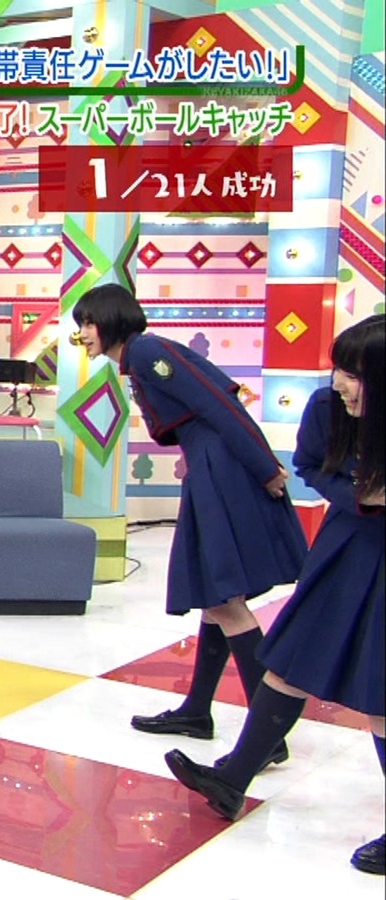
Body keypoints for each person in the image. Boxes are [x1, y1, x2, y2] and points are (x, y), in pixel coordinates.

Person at [164, 314, 384, 876]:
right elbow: (310, 465)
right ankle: (232, 779)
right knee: (288, 662)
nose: (340, 383)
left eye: (355, 373)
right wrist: (361, 497)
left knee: (380, 696)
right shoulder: (326, 408)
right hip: (346, 544)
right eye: (339, 369)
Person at [73, 284, 306, 761]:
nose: (83, 334)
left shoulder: (146, 352)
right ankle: (198, 710)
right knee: (213, 592)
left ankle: (269, 737)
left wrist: (265, 467)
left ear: (111, 319)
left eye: (88, 323)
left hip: (220, 469)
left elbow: (219, 406)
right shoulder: (139, 358)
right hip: (208, 465)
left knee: (223, 598)